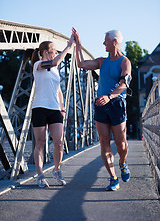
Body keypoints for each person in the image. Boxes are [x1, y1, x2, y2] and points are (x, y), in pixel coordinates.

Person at [72, 27, 131, 191]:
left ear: (114, 42)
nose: (103, 43)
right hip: (100, 106)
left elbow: (124, 84)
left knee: (121, 144)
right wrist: (78, 44)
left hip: (116, 105)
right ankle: (113, 178)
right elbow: (80, 63)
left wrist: (110, 96)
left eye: (105, 40)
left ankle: (122, 162)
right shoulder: (102, 62)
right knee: (104, 143)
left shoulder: (125, 62)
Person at [31, 34, 74, 188]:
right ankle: (41, 175)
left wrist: (62, 108)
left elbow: (59, 91)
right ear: (45, 52)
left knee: (59, 143)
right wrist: (69, 45)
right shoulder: (38, 65)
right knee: (41, 143)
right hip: (40, 108)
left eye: (57, 51)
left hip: (55, 109)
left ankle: (57, 170)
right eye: (53, 50)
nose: (56, 53)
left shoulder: (55, 71)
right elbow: (55, 62)